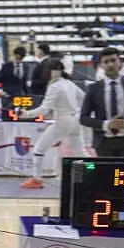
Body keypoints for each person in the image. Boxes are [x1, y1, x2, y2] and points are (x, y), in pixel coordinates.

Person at [19, 59, 87, 189]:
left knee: (39, 148)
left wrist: (26, 114)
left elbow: (44, 109)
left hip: (63, 121)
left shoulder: (55, 86)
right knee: (81, 154)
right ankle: (94, 171)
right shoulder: (69, 83)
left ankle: (36, 179)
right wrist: (78, 112)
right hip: (76, 121)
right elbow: (84, 98)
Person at [79, 47, 124, 157]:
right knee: (106, 174)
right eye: (106, 62)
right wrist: (106, 124)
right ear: (101, 65)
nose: (110, 65)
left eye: (113, 60)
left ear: (120, 62)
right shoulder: (94, 88)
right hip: (104, 142)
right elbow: (83, 118)